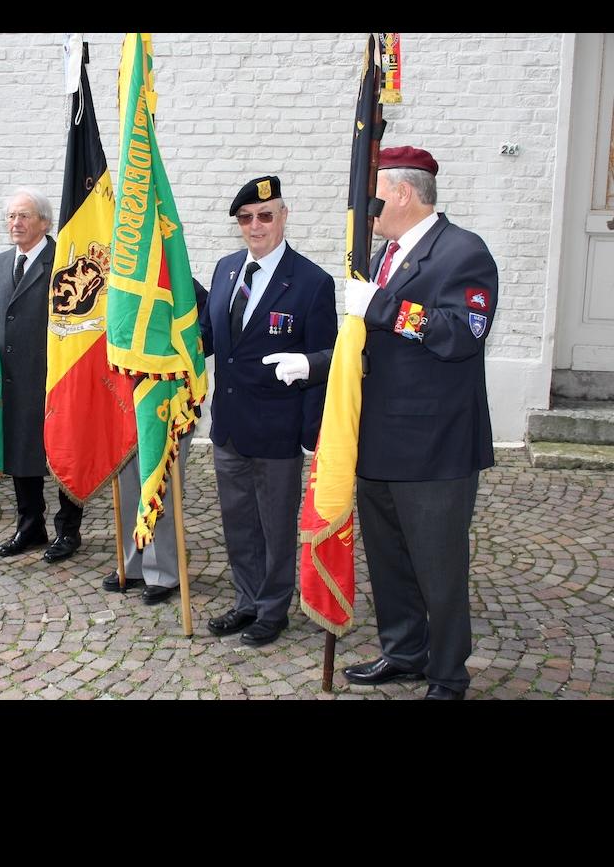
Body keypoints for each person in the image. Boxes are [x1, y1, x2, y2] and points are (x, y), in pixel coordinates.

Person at [340, 145, 497, 700]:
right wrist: (311, 367)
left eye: (372, 196)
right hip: (379, 438)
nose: (365, 208)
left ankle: (449, 674)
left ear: (402, 192)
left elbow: (461, 334)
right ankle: (403, 652)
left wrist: (379, 305)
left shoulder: (461, 253)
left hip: (435, 447)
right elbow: (369, 349)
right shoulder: (383, 255)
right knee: (389, 562)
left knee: (439, 567)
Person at [200, 175, 338, 646]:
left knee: (276, 525)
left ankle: (273, 609)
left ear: (283, 217)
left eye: (264, 216)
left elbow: (328, 357)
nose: (254, 226)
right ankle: (246, 601)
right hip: (230, 427)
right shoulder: (225, 269)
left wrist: (311, 432)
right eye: (245, 218)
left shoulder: (311, 282)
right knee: (238, 520)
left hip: (278, 429)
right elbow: (211, 338)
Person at [0, 188, 84, 564]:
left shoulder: (63, 261)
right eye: (12, 216)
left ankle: (68, 529)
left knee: (61, 454)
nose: (16, 223)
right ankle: (30, 525)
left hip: (51, 379)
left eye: (25, 216)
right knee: (20, 455)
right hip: (13, 380)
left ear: (45, 222)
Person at [101, 279, 208, 604]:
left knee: (162, 485)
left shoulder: (179, 279)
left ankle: (163, 571)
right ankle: (132, 564)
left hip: (167, 404)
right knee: (130, 483)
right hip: (124, 400)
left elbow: (203, 333)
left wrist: (169, 356)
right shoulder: (117, 280)